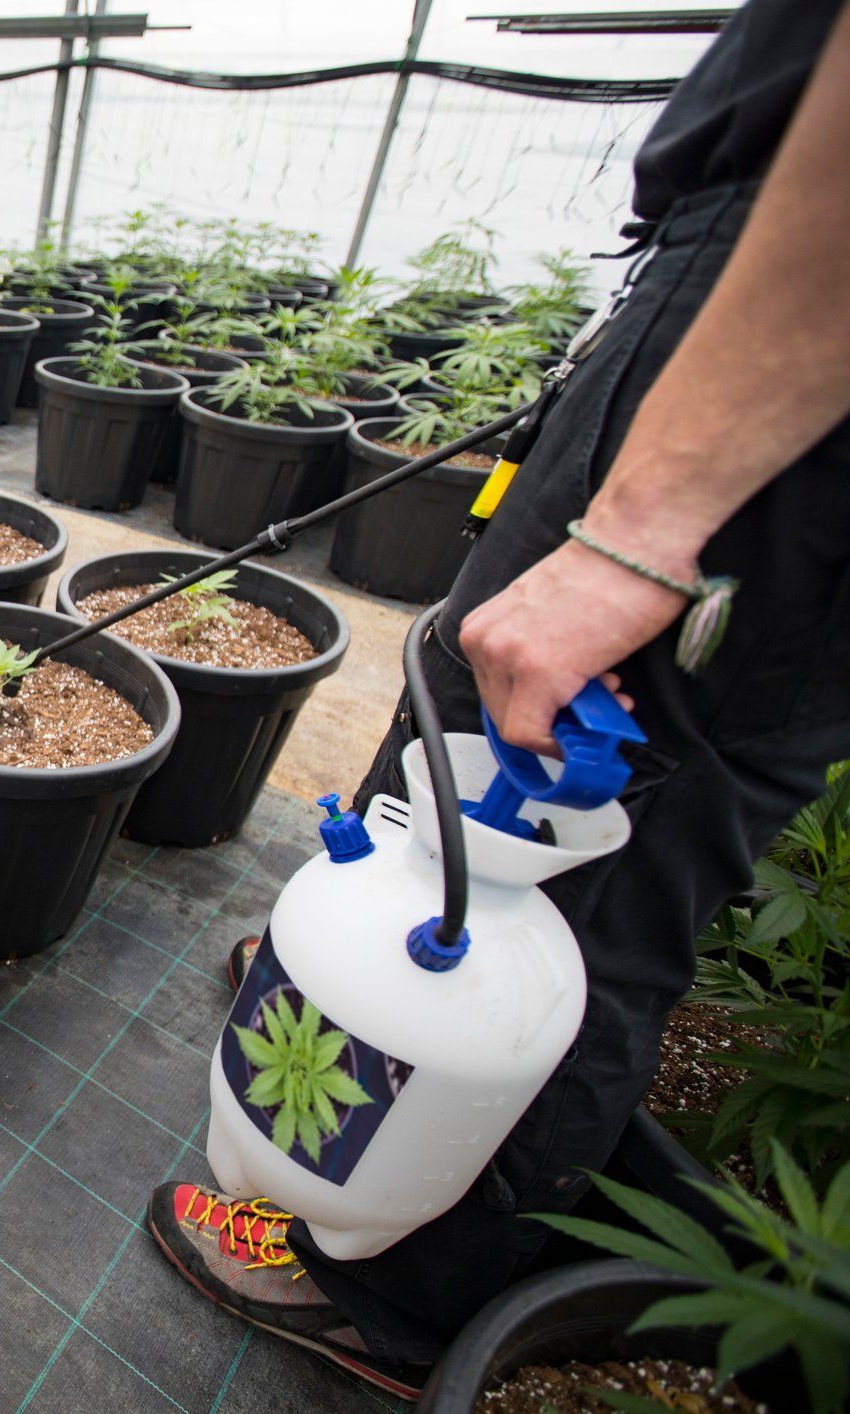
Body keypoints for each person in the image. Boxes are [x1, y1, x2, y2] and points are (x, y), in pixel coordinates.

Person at [146, 0, 850, 1397]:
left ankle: (394, 1287)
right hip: (732, 334)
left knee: (583, 908)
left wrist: (645, 522)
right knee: (468, 770)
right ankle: (345, 1005)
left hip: (778, 394)